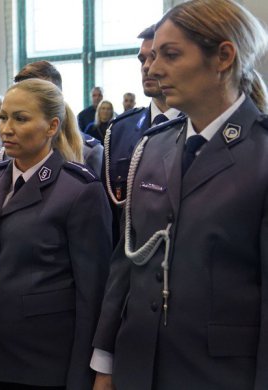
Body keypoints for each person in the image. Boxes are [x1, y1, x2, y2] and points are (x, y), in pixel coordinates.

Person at [92, 1, 268, 389]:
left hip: (218, 375)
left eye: (170, 55)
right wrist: (104, 360)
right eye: (153, 57)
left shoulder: (261, 154)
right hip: (138, 368)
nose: (153, 70)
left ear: (223, 57)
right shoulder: (151, 147)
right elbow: (127, 262)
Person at [0, 78, 111, 390]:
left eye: (20, 118)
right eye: (3, 117)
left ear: (52, 126)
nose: (7, 128)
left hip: (44, 361)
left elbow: (92, 294)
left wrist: (87, 373)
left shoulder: (79, 190)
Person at [102, 24, 181, 243]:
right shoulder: (121, 130)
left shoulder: (199, 124)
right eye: (142, 60)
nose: (147, 67)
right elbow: (108, 214)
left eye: (155, 57)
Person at [14, 60, 104, 176]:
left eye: (38, 95)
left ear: (57, 97)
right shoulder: (12, 149)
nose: (27, 103)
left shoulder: (88, 152)